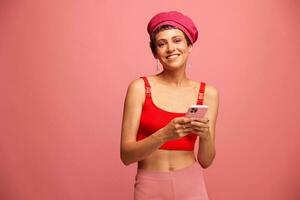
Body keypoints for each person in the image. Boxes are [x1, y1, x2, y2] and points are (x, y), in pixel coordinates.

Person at [120, 11, 219, 200]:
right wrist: (165, 134)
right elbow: (126, 156)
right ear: (155, 52)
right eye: (161, 43)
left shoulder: (208, 93)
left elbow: (206, 161)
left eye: (177, 40)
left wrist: (206, 136)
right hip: (150, 184)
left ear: (189, 46)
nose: (170, 48)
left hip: (192, 184)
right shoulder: (140, 88)